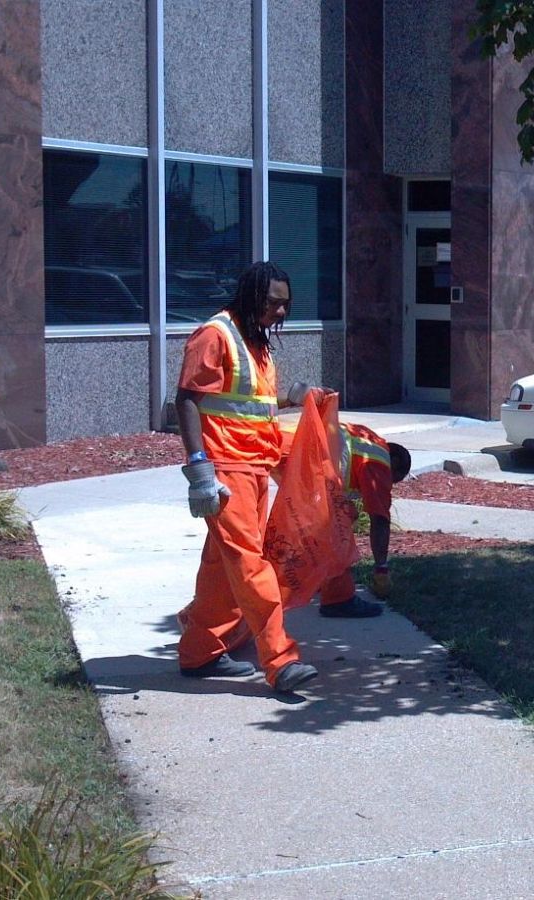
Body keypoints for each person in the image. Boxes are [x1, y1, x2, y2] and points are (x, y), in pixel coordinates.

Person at [174, 261, 320, 694]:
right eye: (274, 303)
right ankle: (279, 659)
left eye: (285, 306)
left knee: (224, 566)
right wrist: (199, 469)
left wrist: (288, 399)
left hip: (254, 467)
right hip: (224, 469)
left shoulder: (254, 342)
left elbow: (246, 402)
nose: (280, 313)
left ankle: (198, 651)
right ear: (252, 295)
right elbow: (186, 401)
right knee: (251, 564)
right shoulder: (214, 335)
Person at [316, 423, 413, 618]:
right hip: (310, 458)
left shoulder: (367, 440)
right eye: (393, 479)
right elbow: (380, 519)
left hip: (300, 450)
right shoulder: (379, 460)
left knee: (342, 515)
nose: (388, 485)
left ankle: (316, 579)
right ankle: (338, 599)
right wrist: (381, 570)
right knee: (339, 528)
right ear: (393, 462)